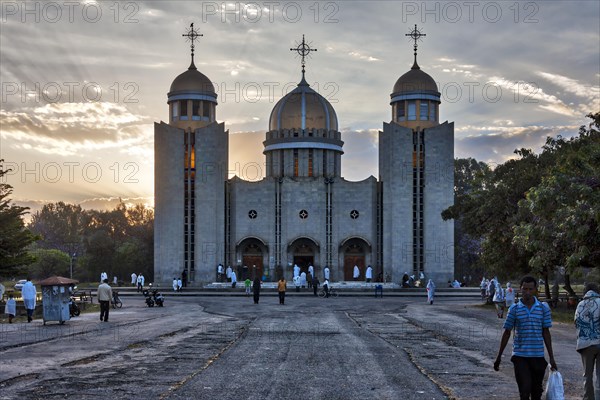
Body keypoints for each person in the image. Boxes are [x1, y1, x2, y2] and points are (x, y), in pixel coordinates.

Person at [494, 275, 557, 400]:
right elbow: (507, 332)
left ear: (535, 290)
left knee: (536, 392)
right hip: (520, 356)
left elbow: (546, 333)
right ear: (520, 290)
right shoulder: (514, 309)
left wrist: (551, 357)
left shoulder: (543, 308)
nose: (527, 292)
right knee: (524, 390)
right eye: (525, 289)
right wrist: (499, 356)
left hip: (538, 357)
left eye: (530, 289)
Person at [575, 282, 600, 400]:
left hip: (585, 344)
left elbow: (576, 322)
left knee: (587, 375)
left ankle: (588, 398)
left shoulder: (580, 304)